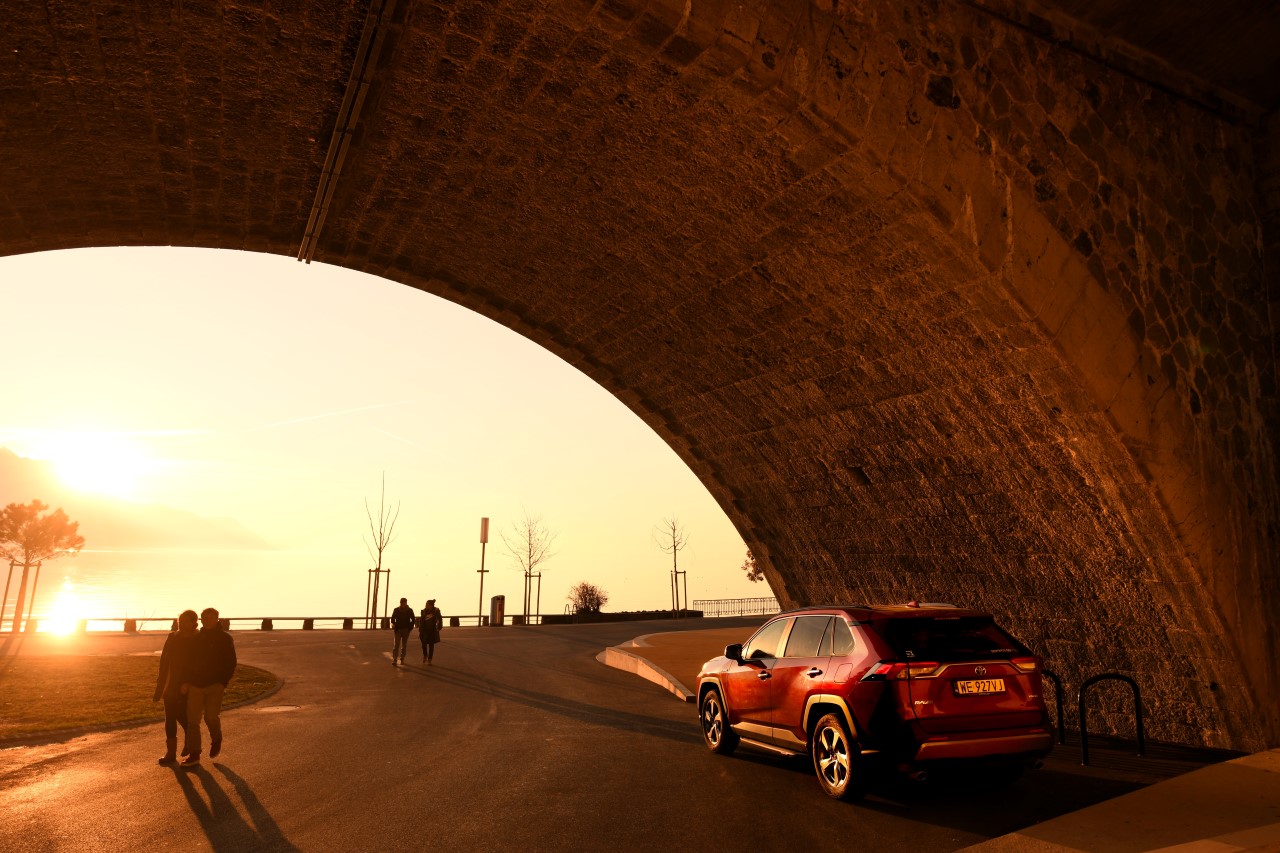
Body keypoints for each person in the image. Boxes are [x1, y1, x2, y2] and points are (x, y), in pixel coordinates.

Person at [180, 607, 237, 767]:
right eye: (205, 618)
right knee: (193, 721)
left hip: (215, 685)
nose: (208, 621)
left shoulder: (225, 639)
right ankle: (194, 755)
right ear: (201, 620)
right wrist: (186, 681)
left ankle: (216, 738)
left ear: (217, 619)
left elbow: (231, 662)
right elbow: (188, 662)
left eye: (211, 618)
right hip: (196, 685)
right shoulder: (196, 639)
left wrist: (222, 682)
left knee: (211, 717)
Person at [152, 609, 198, 765]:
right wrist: (161, 679)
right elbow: (164, 659)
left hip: (186, 685)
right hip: (170, 683)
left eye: (185, 621)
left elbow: (198, 664)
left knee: (183, 716)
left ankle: (190, 743)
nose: (182, 624)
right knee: (170, 717)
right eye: (180, 621)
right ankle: (170, 753)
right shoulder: (172, 637)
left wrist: (189, 682)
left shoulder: (197, 639)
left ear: (194, 623)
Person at [390, 597, 416, 666]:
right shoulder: (396, 610)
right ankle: (395, 659)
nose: (402, 604)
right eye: (401, 603)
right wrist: (394, 625)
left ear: (406, 603)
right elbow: (392, 618)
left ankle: (402, 659)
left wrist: (410, 628)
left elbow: (413, 619)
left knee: (404, 645)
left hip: (406, 630)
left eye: (403, 603)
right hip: (398, 630)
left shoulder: (409, 610)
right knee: (396, 645)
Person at [419, 599, 443, 664]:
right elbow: (421, 621)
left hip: (432, 630)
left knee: (431, 645)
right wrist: (420, 629)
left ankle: (430, 659)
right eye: (426, 604)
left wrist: (439, 627)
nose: (425, 605)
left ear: (431, 605)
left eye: (427, 604)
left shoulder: (436, 611)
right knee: (423, 644)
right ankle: (425, 655)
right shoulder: (423, 611)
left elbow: (440, 618)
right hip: (424, 630)